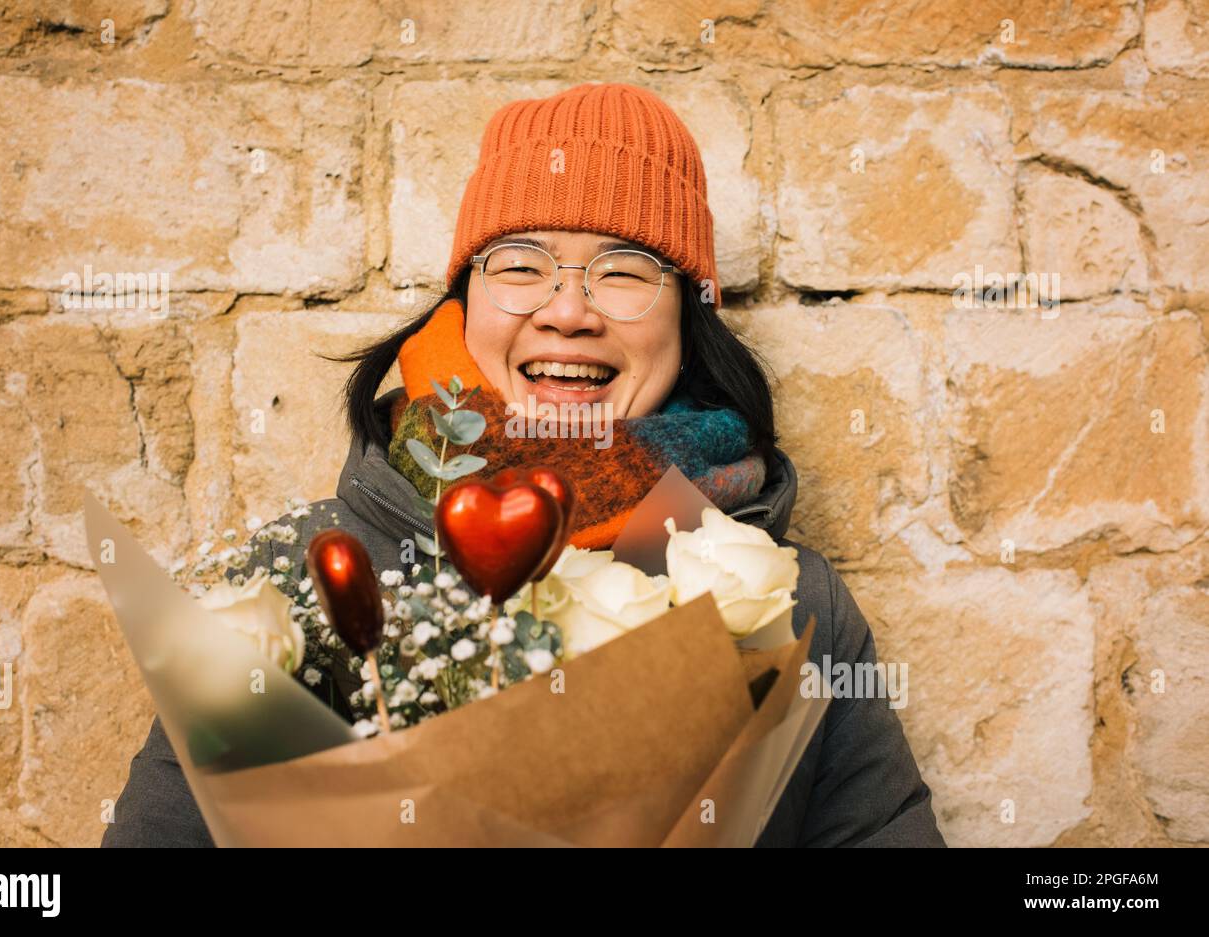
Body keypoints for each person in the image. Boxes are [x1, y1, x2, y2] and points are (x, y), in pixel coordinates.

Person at [103, 82, 945, 848]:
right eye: (520, 266)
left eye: (625, 270)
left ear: (688, 317)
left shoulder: (795, 608)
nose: (569, 310)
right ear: (464, 300)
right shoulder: (293, 592)